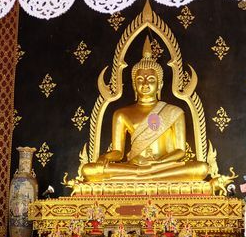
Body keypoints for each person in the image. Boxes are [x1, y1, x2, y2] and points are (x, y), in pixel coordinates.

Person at [82, 37, 209, 182]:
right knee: (89, 170)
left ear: (160, 85)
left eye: (151, 80)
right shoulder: (121, 114)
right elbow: (118, 152)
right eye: (140, 80)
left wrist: (157, 163)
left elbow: (180, 151)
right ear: (134, 85)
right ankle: (144, 174)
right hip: (134, 166)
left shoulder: (174, 111)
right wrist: (105, 157)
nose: (145, 83)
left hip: (162, 166)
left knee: (201, 168)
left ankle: (146, 174)